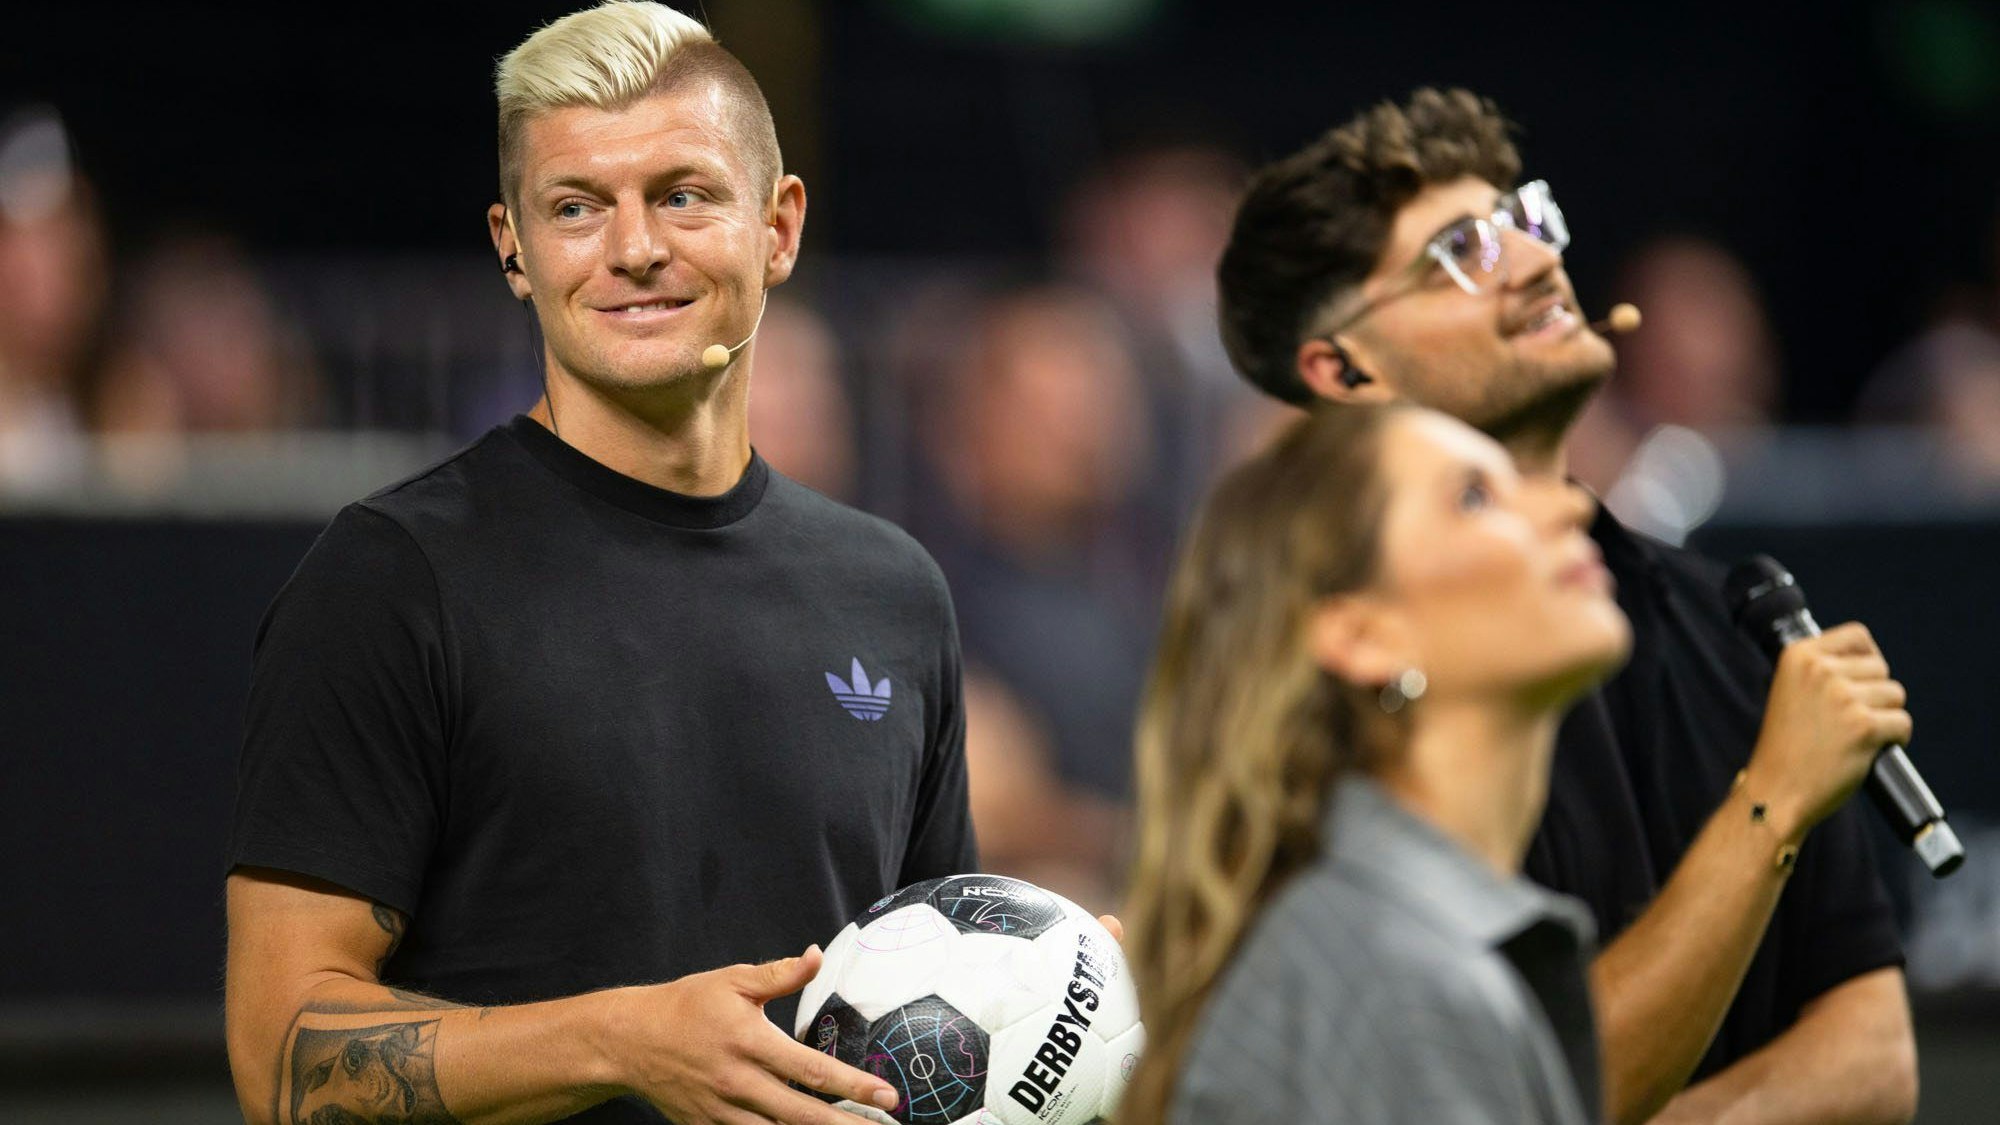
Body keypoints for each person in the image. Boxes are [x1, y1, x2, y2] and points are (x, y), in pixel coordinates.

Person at [223, 5, 975, 1124]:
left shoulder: (893, 592)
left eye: (681, 194)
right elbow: (279, 1062)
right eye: (576, 207)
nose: (631, 249)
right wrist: (618, 1043)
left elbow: (933, 1018)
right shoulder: (390, 581)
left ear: (778, 227)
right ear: (512, 249)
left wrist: (1063, 1015)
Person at [1210, 88, 1918, 1124]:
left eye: (1523, 218)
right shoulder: (1338, 671)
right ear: (1341, 368)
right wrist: (1766, 803)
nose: (1535, 260)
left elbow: (1874, 1058)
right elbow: (1507, 1087)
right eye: (1460, 248)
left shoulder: (1732, 620)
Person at [1123, 402, 1638, 1123]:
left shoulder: (1363, 942)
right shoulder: (1397, 978)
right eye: (1475, 496)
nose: (1567, 502)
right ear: (1363, 634)